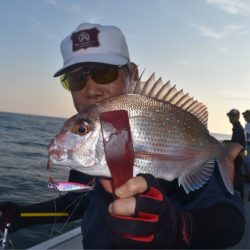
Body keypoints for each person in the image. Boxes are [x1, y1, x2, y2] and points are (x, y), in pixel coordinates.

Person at [0, 23, 245, 249]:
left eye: (104, 73)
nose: (92, 89)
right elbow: (78, 204)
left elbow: (233, 223)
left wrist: (177, 228)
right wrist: (22, 214)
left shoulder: (181, 134)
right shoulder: (89, 150)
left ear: (132, 74)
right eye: (76, 78)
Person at [227, 109, 245, 198]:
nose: (230, 118)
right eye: (230, 116)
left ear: (237, 116)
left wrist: (226, 144)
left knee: (237, 178)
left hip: (237, 156)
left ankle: (238, 197)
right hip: (239, 156)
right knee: (237, 177)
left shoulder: (238, 128)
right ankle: (239, 196)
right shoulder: (237, 127)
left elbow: (236, 144)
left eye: (233, 116)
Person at [242, 110, 250, 182]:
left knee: (246, 160)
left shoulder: (248, 125)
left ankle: (248, 176)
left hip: (248, 145)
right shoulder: (247, 124)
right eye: (244, 116)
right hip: (247, 144)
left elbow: (247, 137)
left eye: (245, 116)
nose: (244, 117)